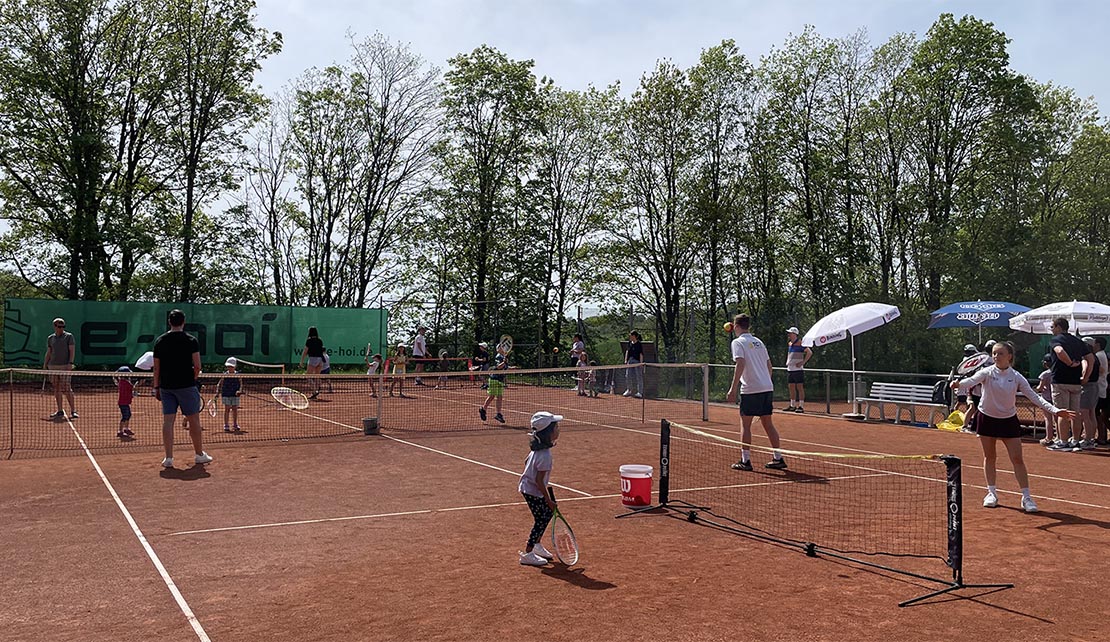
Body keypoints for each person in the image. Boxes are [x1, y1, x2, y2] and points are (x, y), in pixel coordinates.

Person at [954, 341, 1074, 512]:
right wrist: (958, 384)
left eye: (1000, 353)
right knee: (990, 457)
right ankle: (991, 493)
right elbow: (970, 381)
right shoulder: (986, 372)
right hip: (986, 418)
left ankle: (1026, 497)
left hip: (1008, 421)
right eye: (994, 353)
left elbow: (1035, 397)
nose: (996, 356)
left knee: (1017, 459)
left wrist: (1055, 410)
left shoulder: (1016, 376)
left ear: (1009, 356)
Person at [726, 314, 787, 471]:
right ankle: (778, 458)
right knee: (768, 424)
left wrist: (733, 388)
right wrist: (765, 382)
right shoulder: (759, 342)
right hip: (766, 387)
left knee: (745, 425)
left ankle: (745, 461)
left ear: (737, 326)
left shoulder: (738, 342)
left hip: (751, 389)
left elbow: (740, 363)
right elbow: (769, 365)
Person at [152, 309, 212, 468]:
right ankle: (199, 455)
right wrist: (192, 379)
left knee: (168, 421)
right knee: (194, 421)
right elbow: (198, 366)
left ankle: (168, 458)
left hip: (166, 387)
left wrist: (155, 387)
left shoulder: (160, 341)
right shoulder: (191, 340)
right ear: (183, 322)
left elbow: (156, 369)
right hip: (186, 386)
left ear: (169, 322)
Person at [517, 411, 563, 567]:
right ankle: (528, 553)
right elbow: (538, 481)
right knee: (541, 519)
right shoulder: (545, 456)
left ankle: (536, 545)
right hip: (532, 491)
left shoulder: (537, 451)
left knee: (547, 514)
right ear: (548, 433)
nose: (558, 429)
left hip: (530, 488)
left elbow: (526, 462)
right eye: (556, 427)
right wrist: (548, 500)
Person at [1046, 318, 1092, 451]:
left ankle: (1063, 442)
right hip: (1076, 382)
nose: (1051, 329)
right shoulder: (1078, 341)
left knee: (1063, 413)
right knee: (1075, 413)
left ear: (1059, 327)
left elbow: (1059, 351)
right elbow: (1090, 359)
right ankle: (1076, 441)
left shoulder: (1056, 340)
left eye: (1052, 327)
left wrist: (1070, 363)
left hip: (1060, 381)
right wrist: (1086, 376)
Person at [44, 317, 78, 419]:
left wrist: (70, 363)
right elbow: (49, 352)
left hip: (65, 366)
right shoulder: (50, 338)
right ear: (55, 327)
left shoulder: (69, 336)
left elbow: (72, 350)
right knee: (57, 387)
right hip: (53, 366)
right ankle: (59, 410)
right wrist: (45, 364)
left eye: (63, 326)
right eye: (59, 326)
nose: (61, 328)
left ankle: (73, 411)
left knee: (67, 388)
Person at [1077, 337, 1102, 450]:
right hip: (1094, 386)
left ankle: (1087, 440)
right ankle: (1091, 438)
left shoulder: (1086, 357)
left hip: (1087, 387)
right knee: (1091, 414)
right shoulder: (1095, 357)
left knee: (1084, 414)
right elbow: (1101, 370)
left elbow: (1085, 367)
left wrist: (1083, 378)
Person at [784, 326, 812, 412]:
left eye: (790, 333)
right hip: (790, 369)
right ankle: (792, 405)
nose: (788, 334)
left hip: (798, 370)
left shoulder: (800, 343)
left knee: (800, 387)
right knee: (791, 387)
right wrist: (787, 362)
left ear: (795, 334)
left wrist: (803, 362)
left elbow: (809, 352)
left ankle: (801, 406)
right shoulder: (789, 343)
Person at [479, 349, 508, 423]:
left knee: (500, 397)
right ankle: (483, 409)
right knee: (492, 396)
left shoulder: (504, 357)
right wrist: (504, 362)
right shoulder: (498, 357)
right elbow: (498, 367)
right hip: (494, 379)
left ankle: (498, 414)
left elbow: (504, 368)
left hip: (500, 380)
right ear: (499, 349)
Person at [298, 327, 325, 399]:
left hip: (313, 359)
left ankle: (314, 391)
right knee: (317, 376)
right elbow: (322, 350)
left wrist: (301, 361)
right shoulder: (320, 340)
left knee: (308, 376)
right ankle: (316, 390)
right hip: (320, 360)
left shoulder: (309, 341)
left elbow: (305, 351)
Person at [1092, 337, 1110, 445]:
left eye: (1094, 344)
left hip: (1098, 389)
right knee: (1098, 414)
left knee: (1096, 414)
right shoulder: (1101, 354)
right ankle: (1101, 436)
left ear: (1097, 344)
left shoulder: (1098, 355)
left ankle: (1101, 437)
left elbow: (1101, 370)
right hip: (1101, 388)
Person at [1036, 355, 1056, 446]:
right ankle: (1058, 437)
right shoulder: (1056, 372)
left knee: (1048, 419)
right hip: (1055, 398)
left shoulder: (1045, 374)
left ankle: (1049, 437)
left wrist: (1035, 389)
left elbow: (1040, 387)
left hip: (1046, 399)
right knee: (1057, 418)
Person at [218, 357, 242, 433]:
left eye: (231, 366)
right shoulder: (225, 374)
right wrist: (217, 392)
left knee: (234, 409)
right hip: (226, 394)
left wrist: (239, 390)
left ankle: (235, 424)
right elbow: (220, 383)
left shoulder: (238, 375)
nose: (230, 368)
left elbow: (241, 383)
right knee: (227, 409)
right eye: (228, 366)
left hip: (235, 395)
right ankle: (226, 425)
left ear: (234, 366)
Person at [623, 331, 644, 398]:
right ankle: (629, 390)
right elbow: (627, 351)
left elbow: (641, 354)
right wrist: (626, 360)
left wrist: (641, 363)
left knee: (639, 376)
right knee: (628, 375)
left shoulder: (639, 344)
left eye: (631, 336)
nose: (630, 337)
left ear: (634, 336)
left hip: (637, 361)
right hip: (630, 361)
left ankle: (640, 392)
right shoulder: (629, 343)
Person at [115, 366, 134, 439]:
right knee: (125, 416)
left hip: (125, 402)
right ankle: (120, 431)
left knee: (128, 415)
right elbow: (130, 388)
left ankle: (126, 429)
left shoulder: (123, 382)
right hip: (123, 403)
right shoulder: (124, 383)